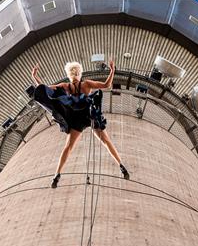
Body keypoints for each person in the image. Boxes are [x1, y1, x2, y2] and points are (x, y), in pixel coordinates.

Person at [31, 60, 130, 188]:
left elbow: (46, 89)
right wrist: (112, 71)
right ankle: (121, 166)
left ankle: (57, 174)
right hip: (90, 114)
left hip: (77, 118)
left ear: (69, 75)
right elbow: (106, 84)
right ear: (80, 73)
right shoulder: (86, 84)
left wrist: (34, 76)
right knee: (106, 141)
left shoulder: (66, 86)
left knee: (68, 147)